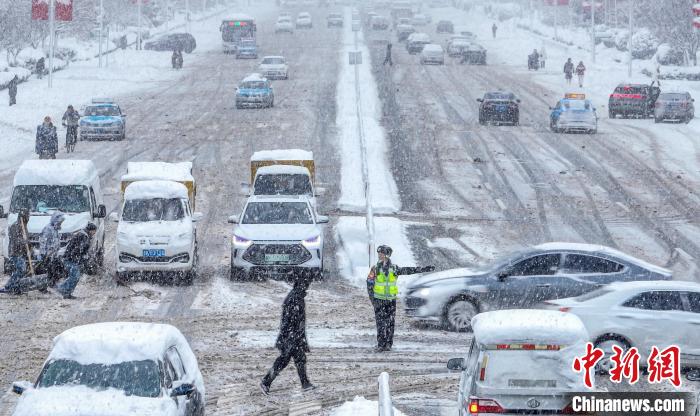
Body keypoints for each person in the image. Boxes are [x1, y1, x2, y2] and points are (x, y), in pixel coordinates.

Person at [367, 245, 434, 352]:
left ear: (387, 255)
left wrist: (423, 269)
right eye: (379, 253)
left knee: (390, 323)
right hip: (379, 300)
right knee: (380, 323)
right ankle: (381, 344)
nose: (379, 255)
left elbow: (408, 270)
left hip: (391, 300)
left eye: (382, 253)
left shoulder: (394, 268)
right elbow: (369, 283)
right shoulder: (375, 268)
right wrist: (372, 299)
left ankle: (388, 344)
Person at [260, 274, 315, 395]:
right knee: (284, 361)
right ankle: (266, 382)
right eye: (306, 284)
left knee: (299, 359)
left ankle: (305, 383)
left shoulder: (297, 296)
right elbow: (288, 321)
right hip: (291, 337)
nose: (307, 286)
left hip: (294, 336)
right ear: (301, 284)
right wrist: (290, 337)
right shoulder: (294, 298)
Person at [57, 223, 96, 299]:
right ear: (91, 230)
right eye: (94, 231)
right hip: (70, 259)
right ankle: (63, 288)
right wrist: (83, 258)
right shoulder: (83, 236)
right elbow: (79, 250)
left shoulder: (84, 235)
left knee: (75, 276)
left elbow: (81, 250)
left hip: (72, 259)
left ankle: (67, 292)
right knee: (75, 276)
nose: (94, 233)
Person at [0, 210, 30, 294]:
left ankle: (17, 287)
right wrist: (24, 242)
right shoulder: (14, 227)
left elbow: (26, 239)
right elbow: (15, 240)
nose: (28, 218)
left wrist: (29, 247)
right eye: (27, 217)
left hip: (22, 253)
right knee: (21, 269)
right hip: (15, 252)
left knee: (22, 270)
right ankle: (9, 286)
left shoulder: (25, 226)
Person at [39, 211, 64, 286]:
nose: (60, 224)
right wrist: (44, 253)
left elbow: (55, 241)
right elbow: (43, 241)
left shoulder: (55, 229)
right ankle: (44, 286)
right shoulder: (48, 229)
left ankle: (52, 283)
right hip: (48, 255)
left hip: (54, 254)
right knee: (48, 270)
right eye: (60, 222)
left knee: (56, 269)